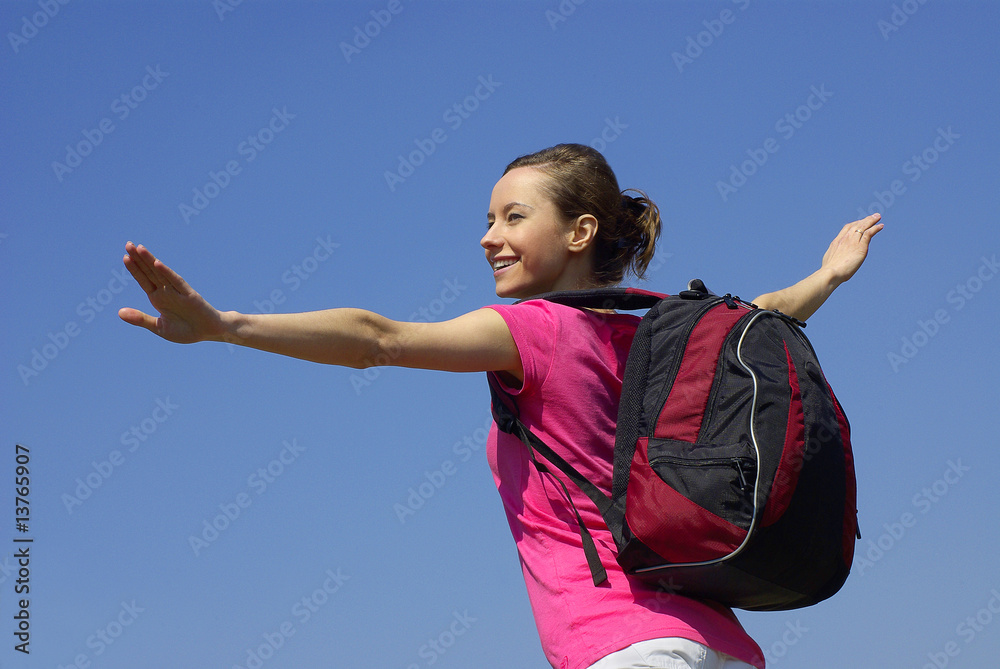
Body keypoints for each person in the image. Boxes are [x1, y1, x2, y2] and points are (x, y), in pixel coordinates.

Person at [119, 144, 882, 669]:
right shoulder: (656, 328)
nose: (489, 238)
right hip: (721, 645)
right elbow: (766, 312)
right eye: (489, 220)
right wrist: (829, 277)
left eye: (514, 218)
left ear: (580, 231)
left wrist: (227, 327)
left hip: (623, 645)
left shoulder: (535, 328)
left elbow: (379, 339)